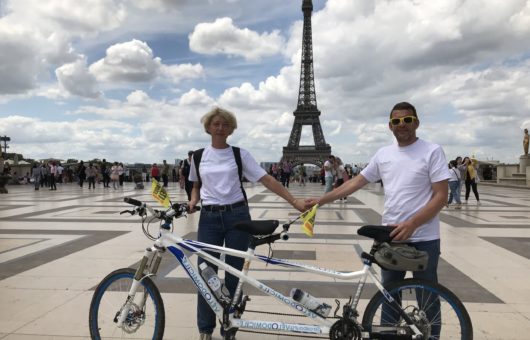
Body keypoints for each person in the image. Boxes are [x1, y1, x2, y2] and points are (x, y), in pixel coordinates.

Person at [305, 102, 450, 336]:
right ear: (389, 126)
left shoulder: (432, 151)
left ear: (417, 122)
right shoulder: (384, 154)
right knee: (389, 298)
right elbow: (355, 183)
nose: (401, 125)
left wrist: (413, 223)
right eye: (396, 121)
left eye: (407, 120)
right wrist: (322, 201)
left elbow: (441, 195)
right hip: (391, 236)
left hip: (424, 237)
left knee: (428, 300)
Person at [187, 107, 305, 340]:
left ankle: (229, 326)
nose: (220, 128)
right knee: (205, 272)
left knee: (234, 273)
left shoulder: (240, 154)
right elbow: (196, 185)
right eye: (216, 124)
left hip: (237, 216)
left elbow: (267, 179)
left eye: (225, 124)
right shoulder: (199, 156)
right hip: (209, 217)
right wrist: (192, 201)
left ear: (231, 129)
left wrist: (293, 200)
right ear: (208, 127)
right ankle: (205, 329)